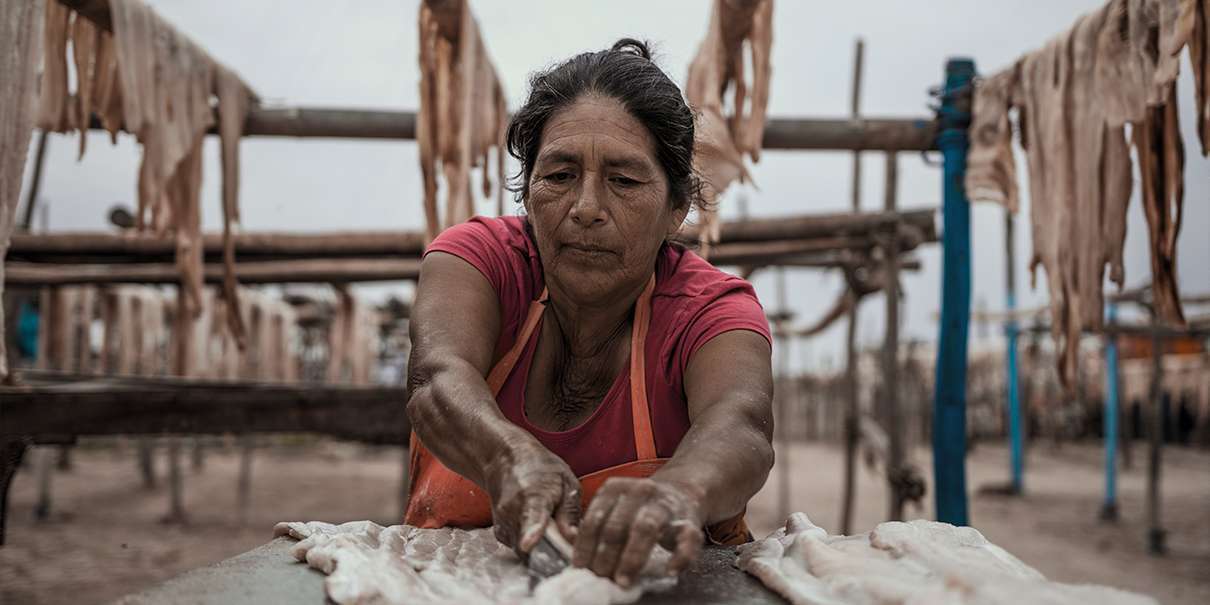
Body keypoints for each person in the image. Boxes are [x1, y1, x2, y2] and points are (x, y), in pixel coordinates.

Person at [405, 38, 774, 587]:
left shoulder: (711, 309)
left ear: (677, 209)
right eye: (559, 176)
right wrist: (505, 456)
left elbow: (741, 425)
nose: (586, 210)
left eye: (624, 181)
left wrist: (678, 493)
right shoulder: (481, 261)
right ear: (528, 194)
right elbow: (437, 377)